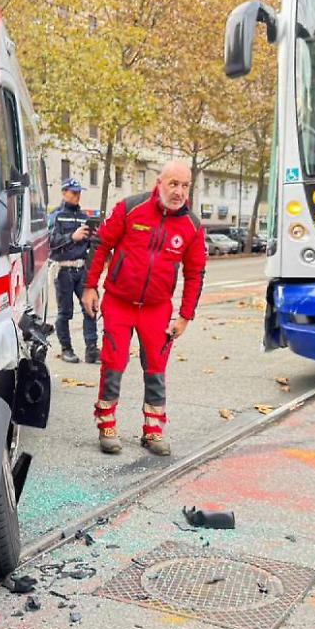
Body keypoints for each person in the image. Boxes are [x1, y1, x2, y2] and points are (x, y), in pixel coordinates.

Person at [82, 161, 206, 456]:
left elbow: (195, 272)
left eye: (185, 186)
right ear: (159, 182)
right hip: (119, 302)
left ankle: (153, 430)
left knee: (156, 368)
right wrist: (90, 286)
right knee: (114, 362)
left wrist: (185, 316)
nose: (179, 192)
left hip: (157, 309)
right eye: (173, 184)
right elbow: (101, 245)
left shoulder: (192, 226)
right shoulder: (130, 208)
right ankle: (107, 423)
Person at [48, 177, 100, 364]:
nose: (77, 196)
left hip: (82, 268)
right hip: (63, 270)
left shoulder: (84, 216)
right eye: (73, 192)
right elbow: (49, 243)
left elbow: (88, 244)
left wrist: (94, 238)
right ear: (64, 192)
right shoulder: (56, 216)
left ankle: (92, 349)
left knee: (90, 308)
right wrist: (72, 236)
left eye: (79, 192)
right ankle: (66, 349)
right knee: (65, 312)